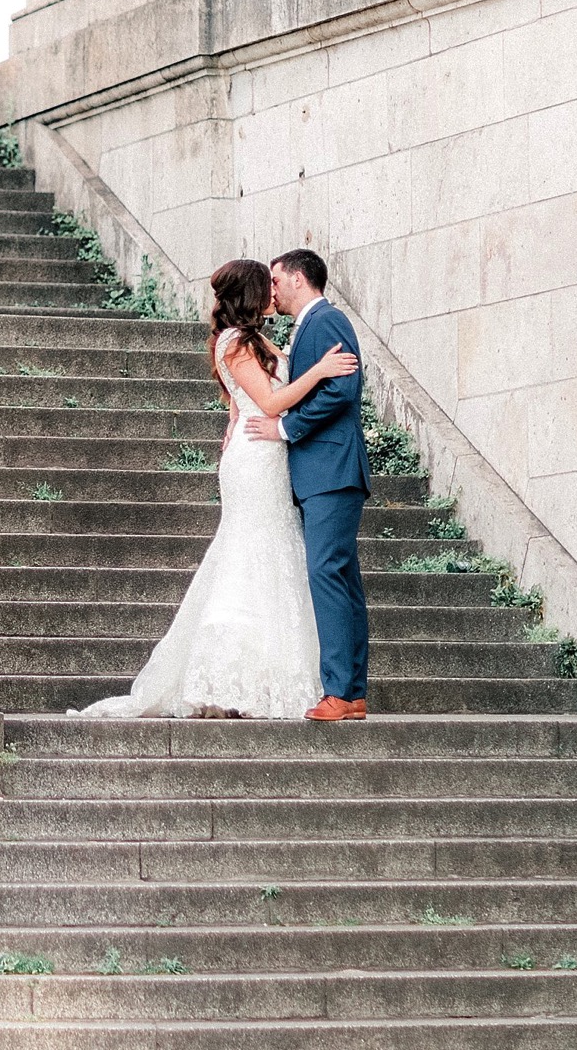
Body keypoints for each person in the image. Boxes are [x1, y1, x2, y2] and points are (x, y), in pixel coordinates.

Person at [75, 258, 357, 720]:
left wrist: (239, 412)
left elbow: (247, 399)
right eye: (265, 284)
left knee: (274, 553)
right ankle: (225, 676)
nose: (273, 290)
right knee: (246, 551)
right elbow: (268, 400)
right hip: (254, 456)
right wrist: (320, 370)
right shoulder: (232, 342)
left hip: (271, 454)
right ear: (250, 292)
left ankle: (267, 677)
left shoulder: (257, 339)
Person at [247, 248, 372, 721]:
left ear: (299, 279)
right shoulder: (307, 329)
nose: (271, 290)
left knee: (327, 575)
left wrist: (285, 428)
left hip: (331, 471)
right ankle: (351, 692)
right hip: (324, 474)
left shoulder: (326, 321)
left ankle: (340, 692)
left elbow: (343, 390)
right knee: (340, 577)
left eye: (277, 280)